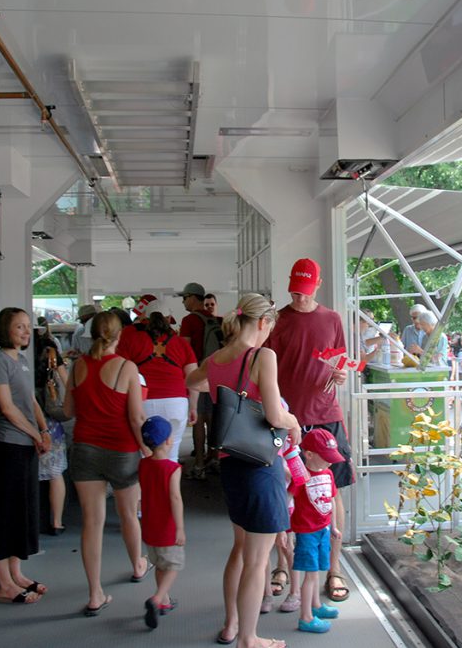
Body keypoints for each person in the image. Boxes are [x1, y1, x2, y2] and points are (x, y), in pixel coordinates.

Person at [186, 293, 301, 648]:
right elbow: (273, 414)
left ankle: (232, 623)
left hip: (231, 462)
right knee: (256, 559)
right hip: (260, 463)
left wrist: (223, 392)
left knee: (240, 549)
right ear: (264, 322)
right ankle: (249, 638)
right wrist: (294, 421)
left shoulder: (218, 357)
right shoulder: (262, 356)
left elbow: (192, 381)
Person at [265, 258, 353, 605]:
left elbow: (341, 363)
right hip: (286, 417)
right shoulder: (279, 320)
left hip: (325, 415)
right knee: (283, 494)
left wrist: (341, 375)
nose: (299, 298)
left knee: (332, 491)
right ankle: (283, 566)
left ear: (316, 286)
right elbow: (264, 370)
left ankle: (334, 568)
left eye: (304, 291)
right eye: (294, 291)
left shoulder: (331, 319)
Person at [62, 311, 150, 617]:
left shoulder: (76, 366)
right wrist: (145, 449)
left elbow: (68, 411)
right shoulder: (127, 367)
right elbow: (137, 418)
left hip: (85, 449)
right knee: (128, 515)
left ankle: (95, 593)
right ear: (119, 335)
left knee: (92, 523)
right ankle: (138, 564)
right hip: (122, 450)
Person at [0, 307, 52, 604]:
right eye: (19, 328)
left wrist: (44, 428)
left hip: (26, 446)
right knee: (5, 514)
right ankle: (3, 584)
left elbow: (31, 402)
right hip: (9, 446)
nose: (26, 332)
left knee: (22, 512)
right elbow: (8, 408)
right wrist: (36, 435)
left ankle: (17, 573)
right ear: (5, 330)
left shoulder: (22, 360)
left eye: (27, 327)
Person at [118, 310, 198, 464]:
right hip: (176, 402)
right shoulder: (180, 342)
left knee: (145, 454)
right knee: (172, 454)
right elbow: (193, 377)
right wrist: (193, 407)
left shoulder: (132, 339)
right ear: (168, 321)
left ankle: (147, 487)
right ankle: (170, 486)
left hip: (143, 401)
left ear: (144, 320)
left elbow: (122, 371)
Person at [289, 429, 344, 633]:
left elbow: (331, 500)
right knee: (310, 575)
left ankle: (316, 606)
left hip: (323, 529)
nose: (330, 463)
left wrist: (334, 526)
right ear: (309, 454)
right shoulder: (301, 477)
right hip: (306, 532)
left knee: (319, 570)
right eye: (326, 458)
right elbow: (289, 499)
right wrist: (286, 530)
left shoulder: (328, 473)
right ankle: (305, 617)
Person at [138, 415, 186, 630]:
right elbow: (175, 498)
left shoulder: (143, 464)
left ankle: (165, 600)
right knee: (174, 565)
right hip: (167, 528)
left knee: (159, 564)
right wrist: (180, 528)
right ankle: (157, 598)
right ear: (168, 441)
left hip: (149, 525)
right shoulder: (172, 468)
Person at [177, 281, 224, 479]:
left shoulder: (189, 321)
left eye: (185, 297)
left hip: (197, 375)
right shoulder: (216, 320)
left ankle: (198, 465)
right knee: (214, 420)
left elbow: (183, 350)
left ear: (194, 297)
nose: (183, 302)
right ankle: (214, 458)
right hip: (216, 376)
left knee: (198, 420)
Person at [34, 323, 69, 534]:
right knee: (56, 475)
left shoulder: (20, 358)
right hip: (51, 421)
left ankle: (32, 519)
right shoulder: (53, 355)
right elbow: (67, 384)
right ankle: (56, 522)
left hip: (28, 420)